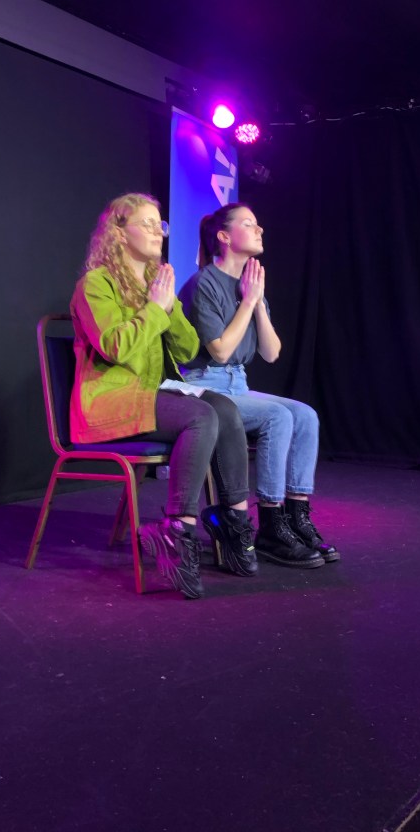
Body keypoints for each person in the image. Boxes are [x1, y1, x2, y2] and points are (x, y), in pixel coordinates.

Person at [70, 192, 257, 600]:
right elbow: (115, 348)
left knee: (223, 408)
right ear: (120, 233)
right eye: (148, 224)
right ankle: (177, 529)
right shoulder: (96, 284)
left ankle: (233, 521)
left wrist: (168, 307)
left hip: (150, 395)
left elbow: (188, 351)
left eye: (161, 225)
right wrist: (155, 309)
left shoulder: (158, 285)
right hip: (108, 403)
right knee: (199, 416)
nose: (159, 232)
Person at [178, 202, 340, 567]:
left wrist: (258, 304)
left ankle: (296, 518)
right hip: (206, 386)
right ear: (224, 236)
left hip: (238, 383)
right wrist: (248, 301)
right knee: (277, 417)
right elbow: (220, 351)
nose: (259, 229)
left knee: (306, 415)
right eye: (249, 223)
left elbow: (271, 352)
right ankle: (270, 523)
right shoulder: (204, 283)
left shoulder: (249, 285)